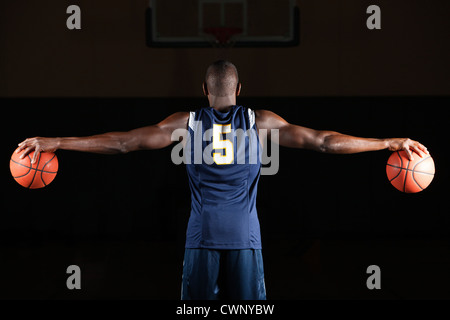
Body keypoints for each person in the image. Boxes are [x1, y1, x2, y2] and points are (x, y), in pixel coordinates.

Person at [16, 60, 428, 300]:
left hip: (201, 238)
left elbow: (123, 144)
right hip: (246, 239)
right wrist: (387, 142)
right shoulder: (260, 122)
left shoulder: (185, 123)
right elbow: (325, 143)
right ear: (239, 88)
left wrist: (59, 142)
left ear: (204, 90)